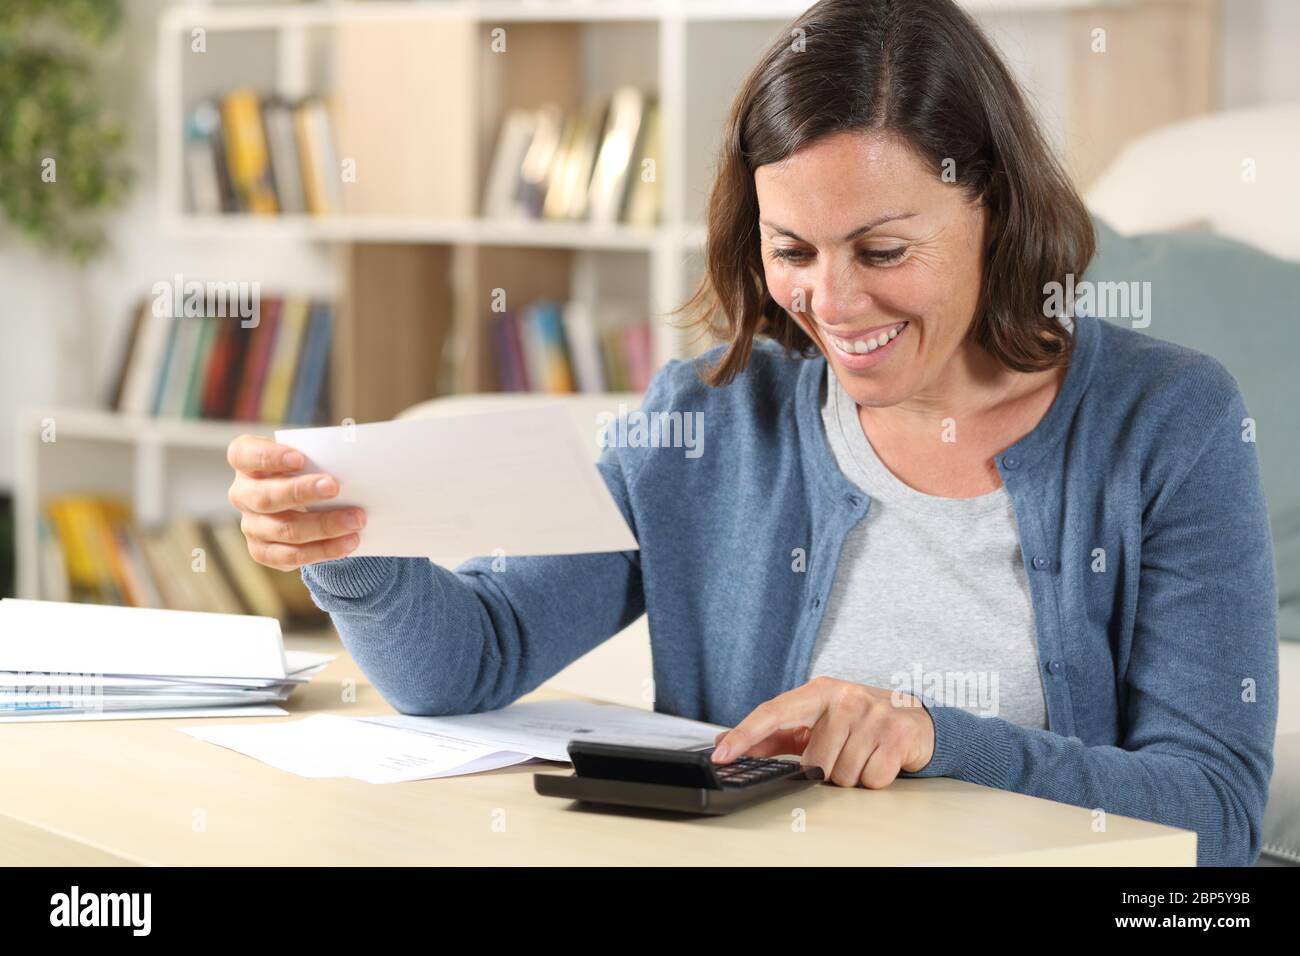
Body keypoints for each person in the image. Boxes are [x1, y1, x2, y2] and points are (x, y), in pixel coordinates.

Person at [225, 0, 1277, 865]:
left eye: (882, 247)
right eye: (793, 249)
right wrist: (347, 548)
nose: (833, 300)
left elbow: (1214, 812)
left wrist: (932, 735)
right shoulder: (710, 420)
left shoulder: (1167, 420)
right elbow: (470, 659)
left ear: (992, 207)